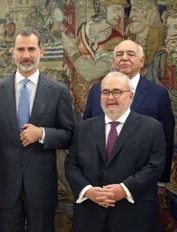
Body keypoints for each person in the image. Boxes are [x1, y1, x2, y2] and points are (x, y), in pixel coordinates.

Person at [0, 27, 75, 232]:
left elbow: (69, 135)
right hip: (4, 189)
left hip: (42, 188)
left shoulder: (58, 91)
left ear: (42, 51)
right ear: (12, 52)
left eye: (31, 49)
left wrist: (42, 134)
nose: (26, 55)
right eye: (21, 49)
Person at [65, 71, 166, 231]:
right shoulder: (83, 128)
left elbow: (155, 166)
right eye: (105, 92)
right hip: (90, 215)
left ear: (131, 96)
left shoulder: (152, 128)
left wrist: (124, 189)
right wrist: (88, 191)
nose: (110, 97)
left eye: (117, 92)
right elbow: (71, 165)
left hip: (133, 215)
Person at [83, 40, 174, 185]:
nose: (124, 58)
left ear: (142, 60)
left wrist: (161, 181)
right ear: (114, 61)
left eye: (131, 54)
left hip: (140, 182)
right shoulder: (96, 91)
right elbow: (85, 135)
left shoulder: (158, 94)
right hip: (98, 181)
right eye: (119, 54)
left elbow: (166, 138)